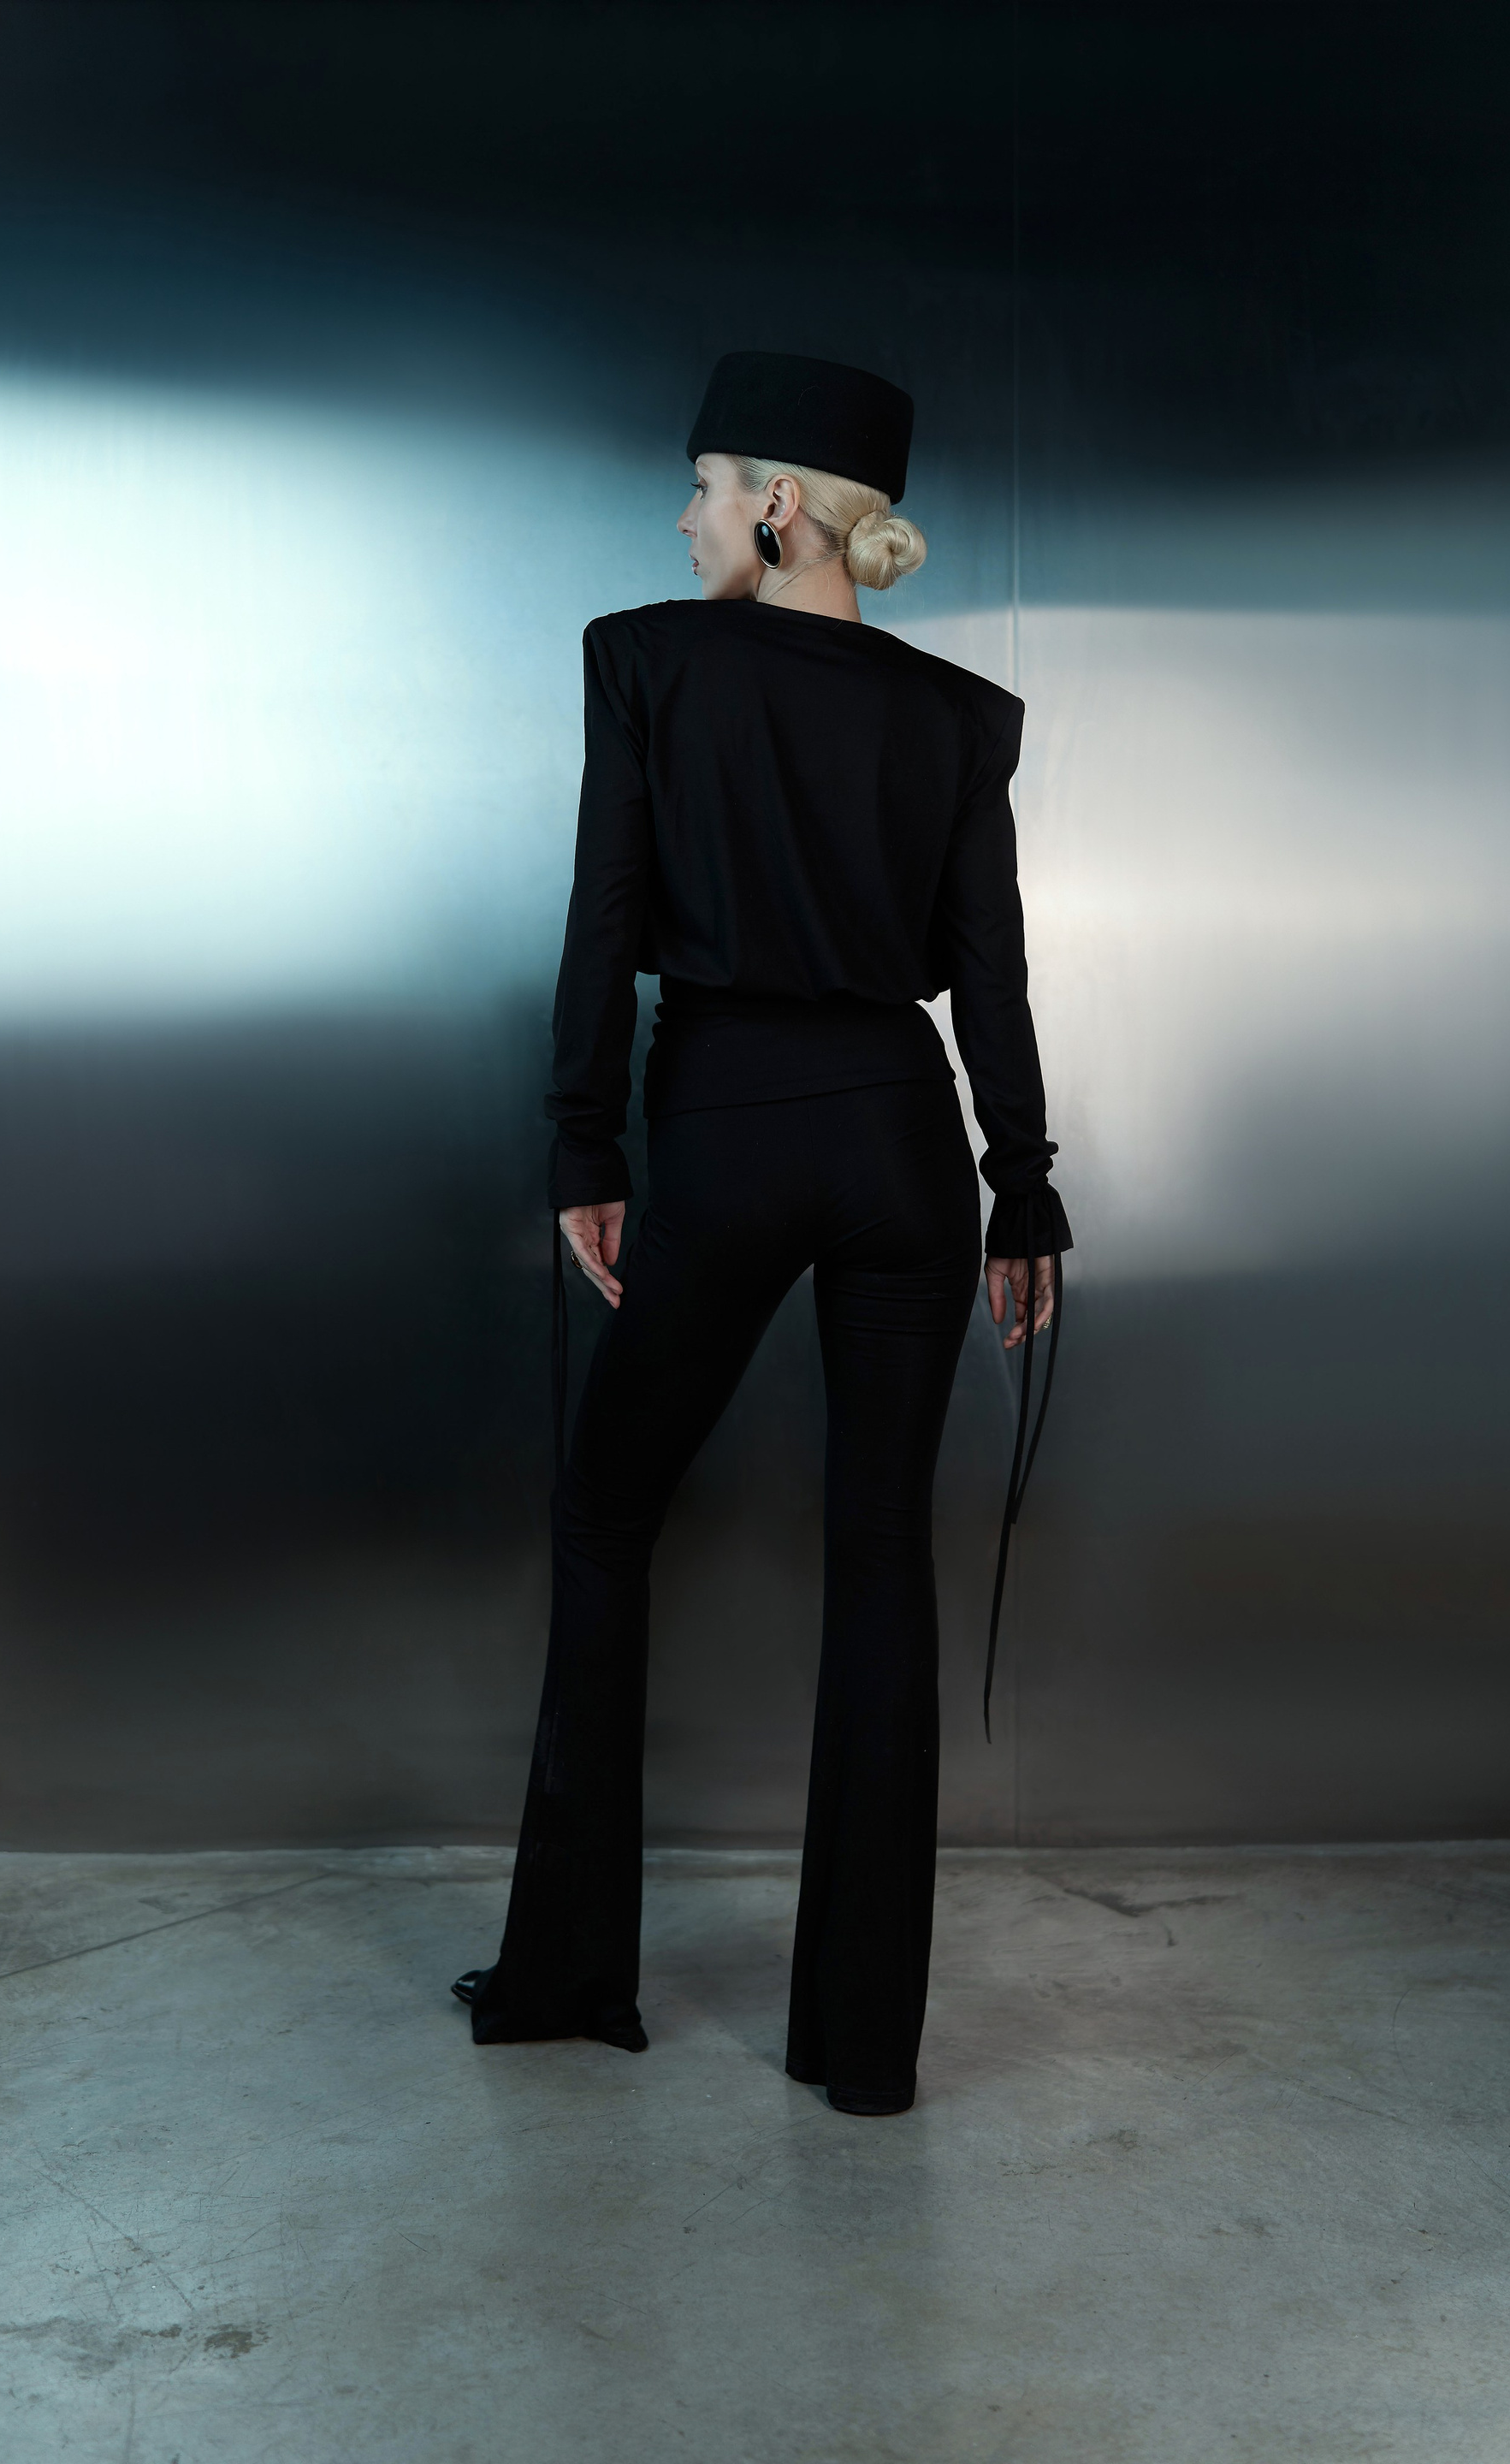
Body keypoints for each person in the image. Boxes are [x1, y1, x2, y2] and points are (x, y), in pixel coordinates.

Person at [453, 352, 1071, 2117]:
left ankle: (571, 1975)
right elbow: (992, 976)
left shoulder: (644, 661)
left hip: (726, 1132)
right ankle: (863, 2049)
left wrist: (586, 1137)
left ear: (781, 504)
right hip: (903, 1147)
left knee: (605, 1512)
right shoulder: (960, 718)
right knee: (881, 1557)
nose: (686, 517)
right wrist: (1022, 1186)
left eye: (707, 484)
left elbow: (606, 913)